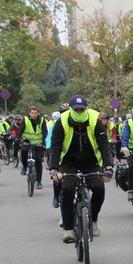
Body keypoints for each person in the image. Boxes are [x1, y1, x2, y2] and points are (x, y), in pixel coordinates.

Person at [49, 95, 113, 243]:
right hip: (68, 161)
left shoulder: (94, 121)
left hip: (90, 161)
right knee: (67, 188)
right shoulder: (62, 121)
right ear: (71, 109)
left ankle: (93, 221)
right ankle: (69, 229)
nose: (79, 112)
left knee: (98, 187)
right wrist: (53, 169)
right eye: (76, 110)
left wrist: (108, 166)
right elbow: (56, 146)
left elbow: (104, 145)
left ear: (86, 109)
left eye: (81, 109)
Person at [17, 106, 48, 189]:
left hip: (38, 143)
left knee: (38, 161)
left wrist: (44, 142)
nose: (34, 115)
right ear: (29, 113)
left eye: (35, 113)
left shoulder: (41, 120)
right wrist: (17, 137)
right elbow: (20, 130)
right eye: (32, 113)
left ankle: (39, 182)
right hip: (27, 141)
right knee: (23, 151)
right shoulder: (26, 120)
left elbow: (45, 132)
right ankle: (24, 166)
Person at [46, 103, 70, 209]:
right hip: (60, 154)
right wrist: (49, 149)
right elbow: (50, 137)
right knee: (58, 177)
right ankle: (56, 196)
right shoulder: (57, 123)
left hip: (74, 155)